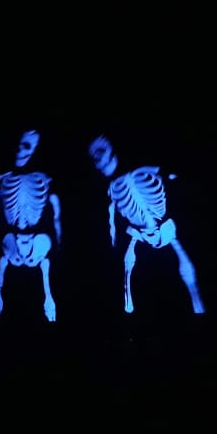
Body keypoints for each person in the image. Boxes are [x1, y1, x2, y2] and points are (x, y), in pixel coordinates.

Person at [88, 134, 205, 315]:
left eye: (101, 153)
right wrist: (113, 238)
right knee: (132, 261)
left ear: (112, 153)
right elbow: (111, 216)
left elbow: (170, 175)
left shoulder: (143, 171)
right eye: (95, 157)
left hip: (163, 226)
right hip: (141, 232)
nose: (98, 160)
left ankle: (198, 307)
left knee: (177, 255)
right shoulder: (113, 188)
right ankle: (129, 304)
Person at [0, 129, 63, 322]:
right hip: (12, 240)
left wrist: (58, 233)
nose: (19, 151)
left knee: (33, 258)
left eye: (26, 146)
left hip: (32, 241)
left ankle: (47, 296)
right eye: (17, 146)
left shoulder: (44, 179)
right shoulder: (3, 178)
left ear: (35, 150)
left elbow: (55, 208)